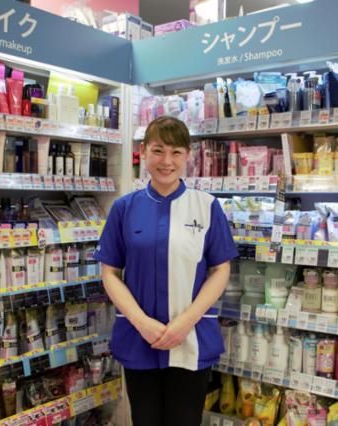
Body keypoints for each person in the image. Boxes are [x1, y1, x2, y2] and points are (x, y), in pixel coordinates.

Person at [94, 116, 238, 426]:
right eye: (158, 150)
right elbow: (110, 273)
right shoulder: (124, 208)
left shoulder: (207, 206)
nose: (166, 161)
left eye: (176, 152)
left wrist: (186, 322)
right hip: (139, 338)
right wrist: (142, 322)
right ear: (144, 151)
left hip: (191, 338)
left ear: (188, 155)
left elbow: (220, 269)